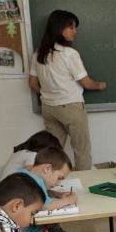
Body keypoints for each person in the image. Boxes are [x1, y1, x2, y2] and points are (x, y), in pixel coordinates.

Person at [28, 9, 106, 171]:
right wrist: (100, 85)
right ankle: (84, 185)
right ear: (59, 29)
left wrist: (49, 92)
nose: (75, 31)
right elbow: (86, 83)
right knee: (81, 151)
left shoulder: (38, 54)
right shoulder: (69, 54)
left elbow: (33, 84)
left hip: (49, 108)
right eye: (71, 27)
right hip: (71, 107)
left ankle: (52, 182)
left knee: (53, 151)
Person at [16, 147, 80, 232]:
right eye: (59, 178)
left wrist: (58, 194)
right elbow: (46, 206)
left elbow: (41, 193)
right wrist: (69, 200)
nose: (59, 183)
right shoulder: (33, 181)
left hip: (35, 230)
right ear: (47, 169)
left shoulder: (26, 174)